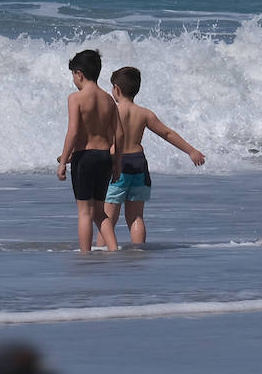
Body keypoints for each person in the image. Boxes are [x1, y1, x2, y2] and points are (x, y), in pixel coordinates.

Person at [101, 66, 206, 245]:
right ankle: (138, 251)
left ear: (116, 89)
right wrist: (191, 151)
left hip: (117, 165)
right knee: (136, 217)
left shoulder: (111, 112)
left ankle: (103, 251)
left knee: (107, 218)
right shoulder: (145, 113)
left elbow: (96, 138)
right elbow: (167, 134)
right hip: (138, 165)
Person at [57, 49, 124, 252]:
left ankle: (85, 254)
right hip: (104, 158)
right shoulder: (108, 100)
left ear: (79, 73)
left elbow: (74, 131)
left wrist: (63, 161)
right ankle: (113, 249)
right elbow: (119, 135)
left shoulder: (76, 98)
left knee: (85, 212)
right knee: (100, 212)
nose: (74, 81)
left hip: (84, 158)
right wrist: (117, 163)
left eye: (73, 76)